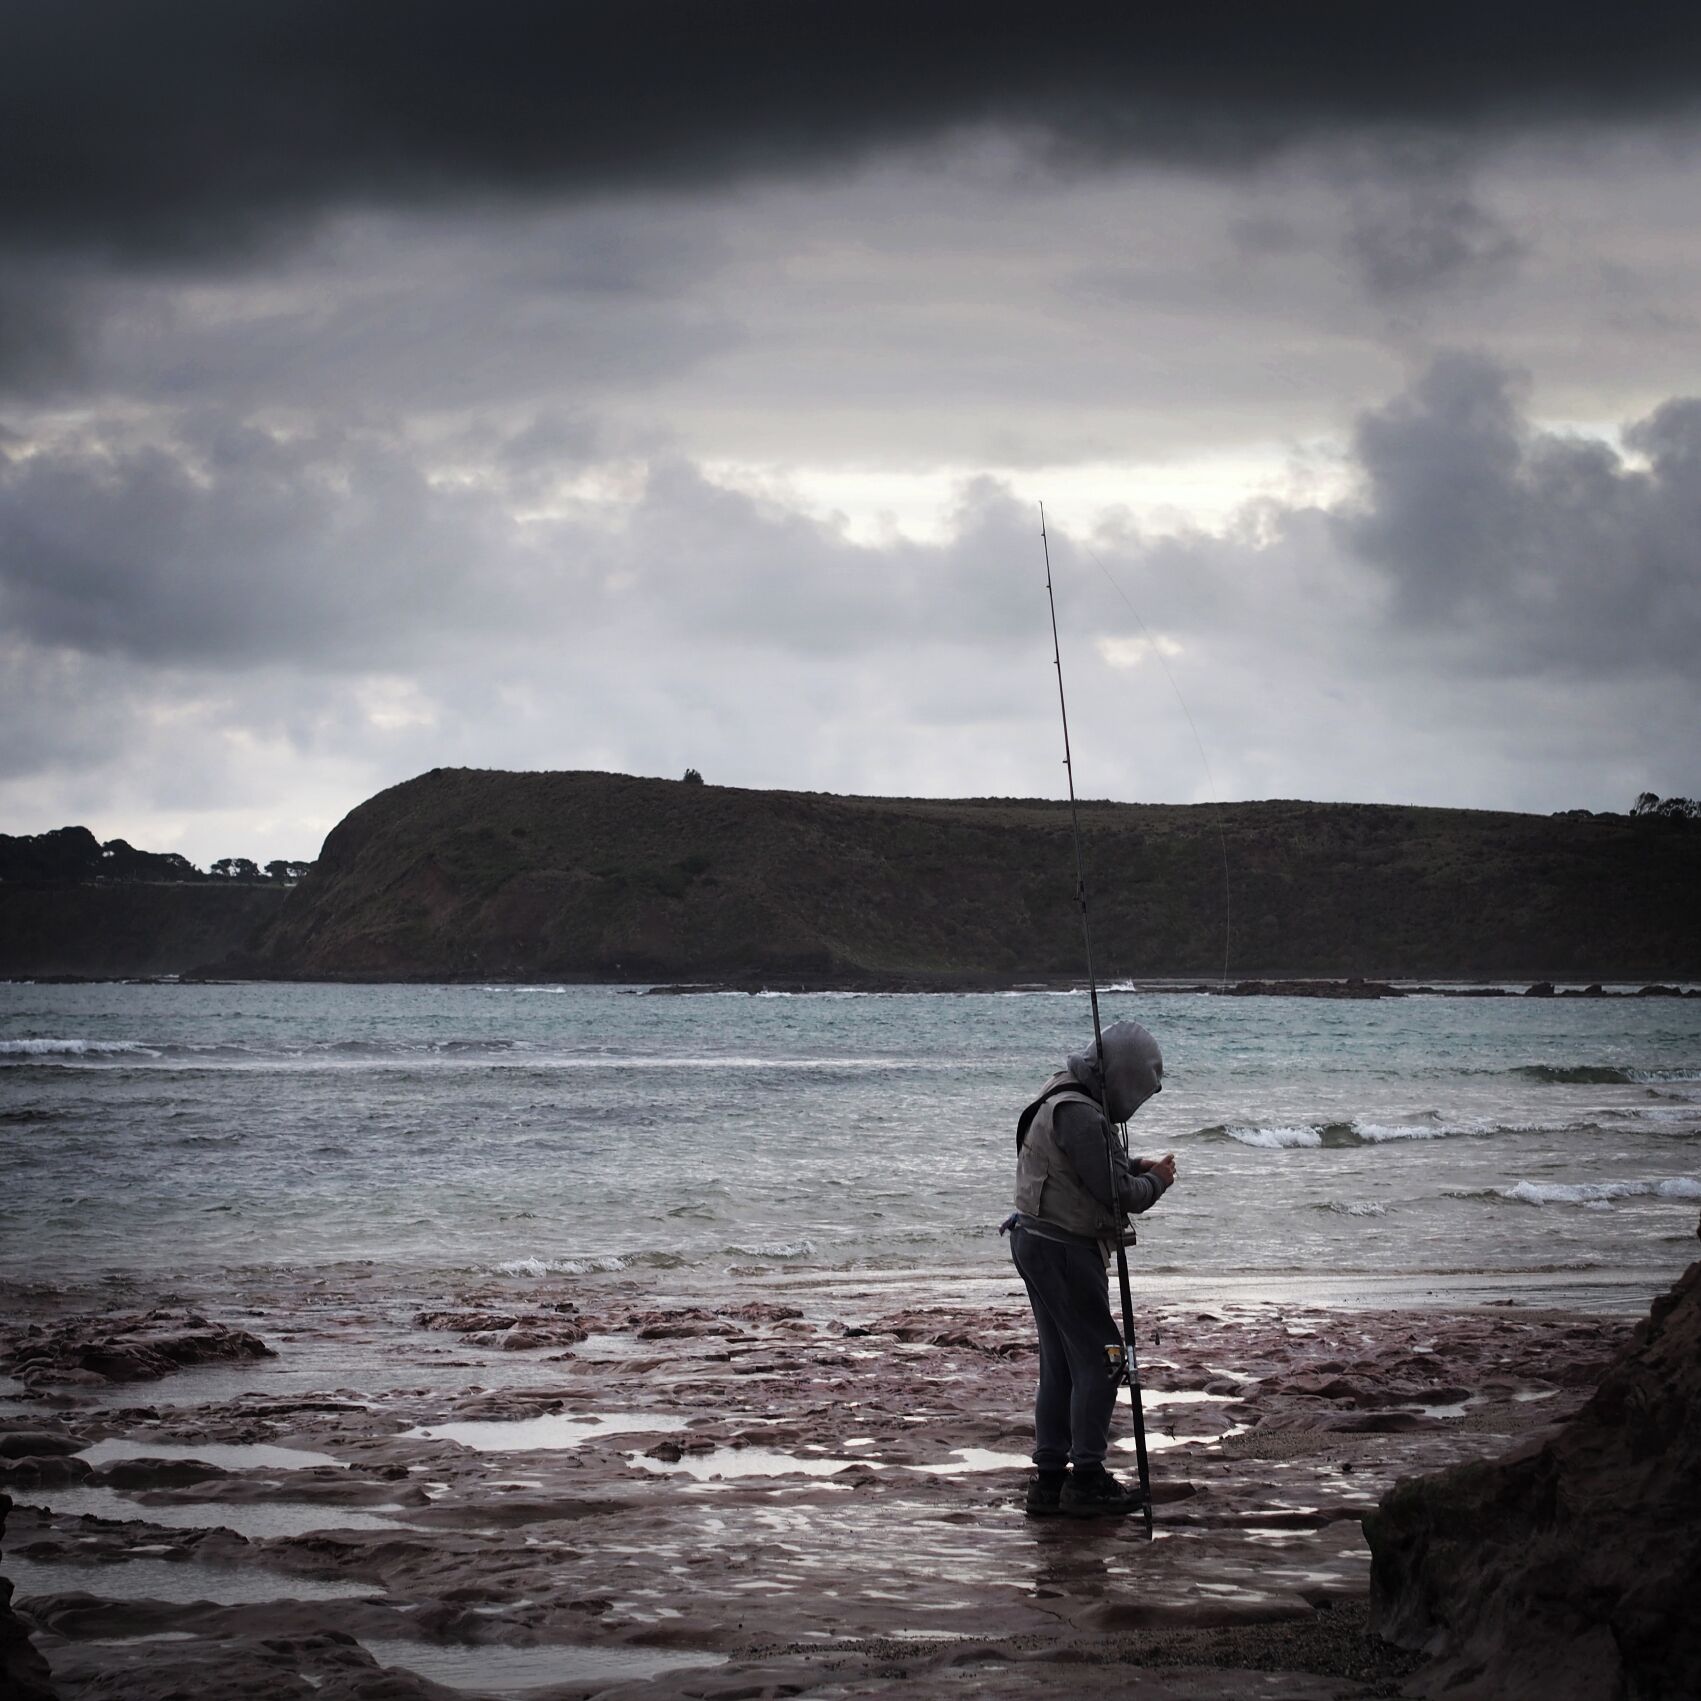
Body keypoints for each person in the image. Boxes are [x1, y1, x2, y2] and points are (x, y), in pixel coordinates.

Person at [1005, 1018, 1176, 1518]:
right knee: (1105, 1360)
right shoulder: (1082, 1114)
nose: (1136, 1104)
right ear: (1120, 1078)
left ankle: (1050, 1480)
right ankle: (1087, 1478)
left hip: (1033, 1238)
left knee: (1061, 1364)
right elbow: (1118, 1193)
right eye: (1137, 1093)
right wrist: (1159, 1181)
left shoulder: (1060, 1091)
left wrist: (1133, 1163)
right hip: (1063, 1251)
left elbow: (1089, 1168)